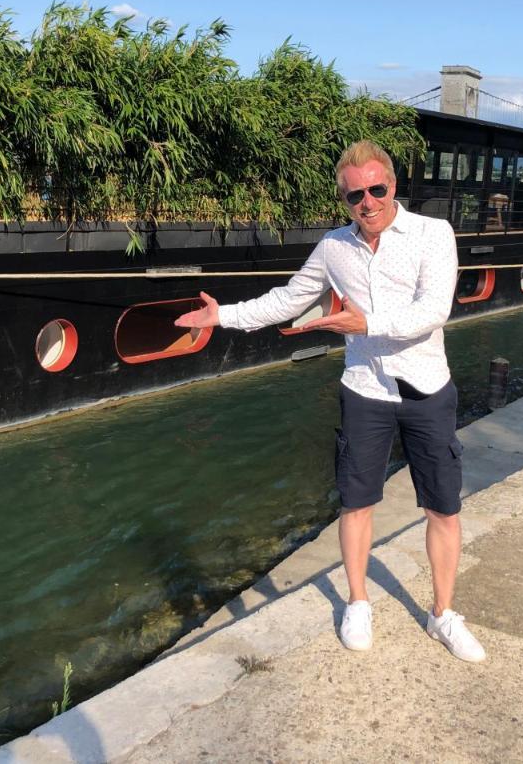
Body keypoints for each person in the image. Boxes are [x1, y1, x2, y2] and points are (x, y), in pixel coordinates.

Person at [174, 139, 485, 662]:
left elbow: (434, 309)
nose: (367, 202)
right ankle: (358, 601)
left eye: (376, 189)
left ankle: (443, 614)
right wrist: (222, 316)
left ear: (393, 186)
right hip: (365, 389)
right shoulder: (334, 247)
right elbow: (288, 299)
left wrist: (367, 322)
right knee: (356, 502)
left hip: (427, 389)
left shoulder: (434, 234)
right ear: (344, 199)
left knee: (443, 508)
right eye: (354, 195)